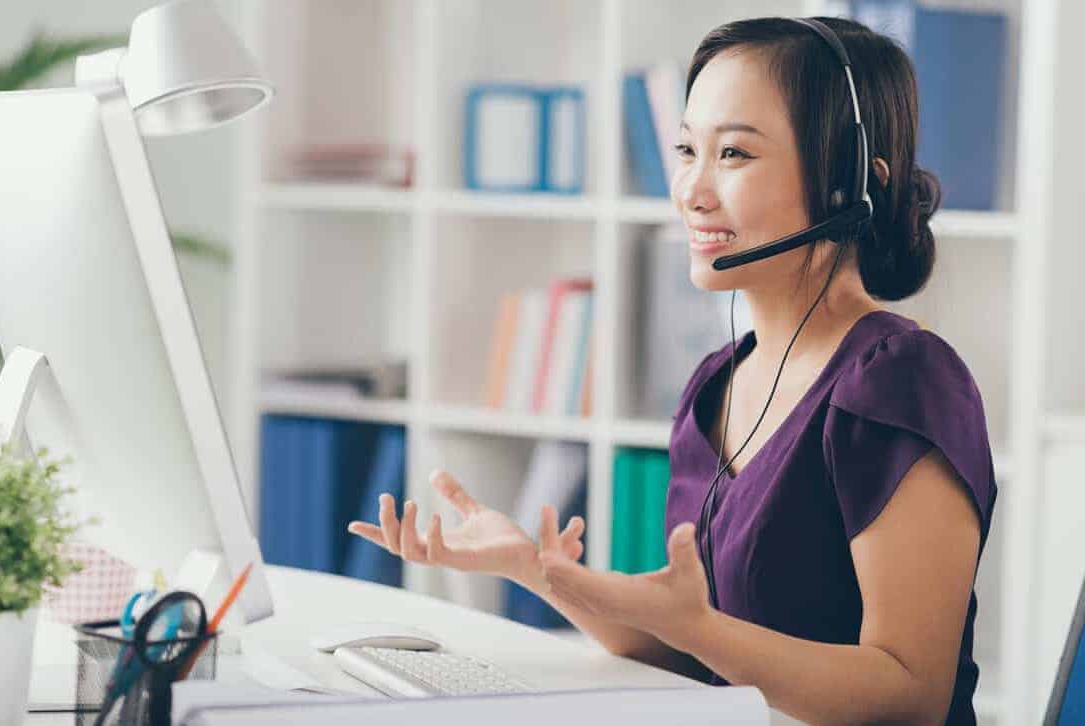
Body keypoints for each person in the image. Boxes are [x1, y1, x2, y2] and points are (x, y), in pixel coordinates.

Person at [348, 16, 996, 725]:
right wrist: (534, 569)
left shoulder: (900, 379)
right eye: (687, 149)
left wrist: (699, 631)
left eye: (735, 154)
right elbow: (688, 658)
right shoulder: (715, 387)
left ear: (847, 182)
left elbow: (910, 696)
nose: (691, 188)